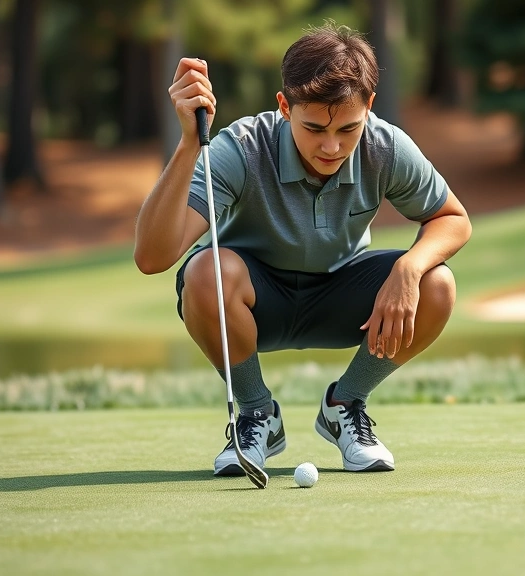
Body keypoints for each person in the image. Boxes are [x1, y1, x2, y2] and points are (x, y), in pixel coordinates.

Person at [133, 22, 471, 475]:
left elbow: (453, 218)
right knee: (205, 271)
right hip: (255, 302)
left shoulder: (385, 145)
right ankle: (257, 416)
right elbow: (152, 258)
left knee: (437, 283)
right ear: (284, 106)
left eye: (348, 129)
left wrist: (408, 269)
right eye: (313, 128)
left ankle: (345, 404)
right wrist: (191, 143)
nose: (331, 147)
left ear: (369, 106)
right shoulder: (242, 147)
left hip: (343, 298)